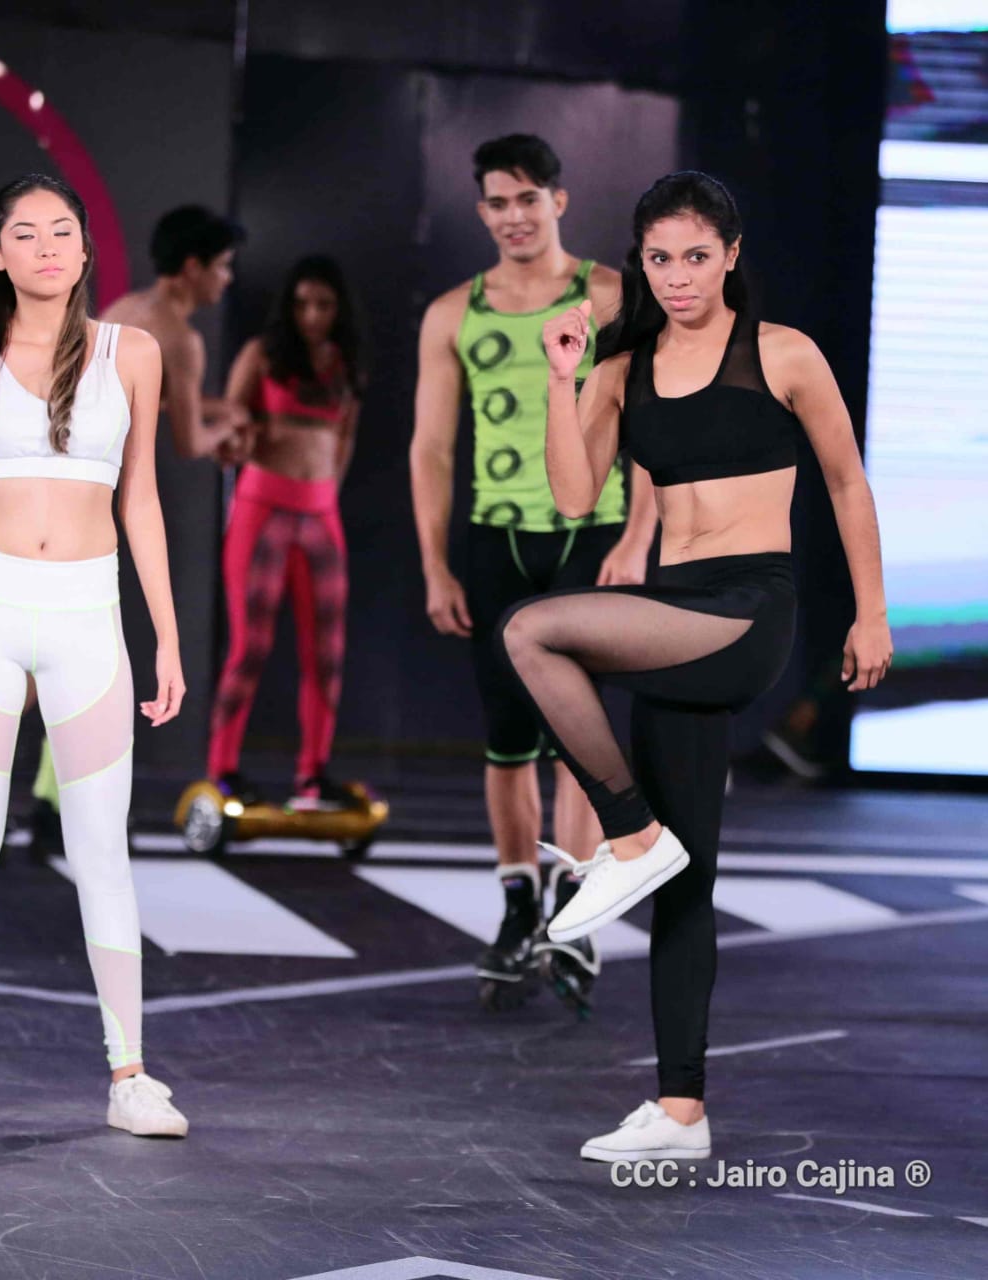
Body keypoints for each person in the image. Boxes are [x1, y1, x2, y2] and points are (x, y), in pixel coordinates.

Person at [498, 170, 892, 1160]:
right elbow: (573, 492)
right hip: (671, 610)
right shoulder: (623, 365)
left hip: (748, 609)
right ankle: (681, 1110)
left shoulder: (782, 353)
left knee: (532, 632)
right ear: (641, 263)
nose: (677, 277)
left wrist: (871, 613)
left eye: (696, 257)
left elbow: (846, 483)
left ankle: (626, 831)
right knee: (689, 877)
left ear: (731, 256)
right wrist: (561, 379)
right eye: (659, 259)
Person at [0, 173, 189, 1139]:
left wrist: (167, 633)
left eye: (63, 231)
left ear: (86, 250)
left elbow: (142, 497)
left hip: (88, 612)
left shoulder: (132, 353)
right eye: (26, 233)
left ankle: (131, 1077)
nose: (48, 247)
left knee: (102, 850)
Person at [409, 134, 657, 1010]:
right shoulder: (453, 313)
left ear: (559, 200)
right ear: (481, 211)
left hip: (591, 535)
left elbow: (650, 422)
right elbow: (432, 449)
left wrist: (637, 539)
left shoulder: (612, 295)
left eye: (528, 199)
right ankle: (520, 910)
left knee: (578, 735)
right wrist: (435, 566)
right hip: (497, 542)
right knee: (508, 734)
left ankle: (576, 913)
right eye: (498, 202)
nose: (514, 216)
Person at [206, 255, 365, 808]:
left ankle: (313, 775)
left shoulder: (345, 366)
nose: (312, 315)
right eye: (302, 304)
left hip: (320, 516)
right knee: (249, 647)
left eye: (323, 304)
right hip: (263, 512)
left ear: (339, 308)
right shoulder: (263, 354)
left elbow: (344, 441)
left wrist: (323, 495)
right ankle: (222, 768)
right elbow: (230, 423)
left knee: (328, 654)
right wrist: (237, 440)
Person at [101, 204, 249, 459]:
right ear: (192, 267)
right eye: (223, 265)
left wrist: (221, 409)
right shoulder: (182, 340)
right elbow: (191, 444)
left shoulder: (124, 307)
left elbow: (122, 394)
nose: (228, 277)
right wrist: (227, 428)